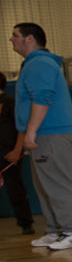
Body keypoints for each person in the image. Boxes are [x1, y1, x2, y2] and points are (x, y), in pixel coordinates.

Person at [8, 22, 72, 249]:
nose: (11, 40)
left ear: (29, 39)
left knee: (58, 183)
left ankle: (70, 231)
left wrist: (31, 132)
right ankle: (54, 230)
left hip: (51, 135)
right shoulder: (33, 64)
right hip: (45, 136)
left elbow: (42, 98)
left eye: (15, 35)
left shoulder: (39, 64)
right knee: (44, 185)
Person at [0, 73, 34, 235]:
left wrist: (17, 150)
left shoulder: (10, 102)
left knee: (15, 189)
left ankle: (25, 223)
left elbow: (21, 128)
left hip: (8, 154)